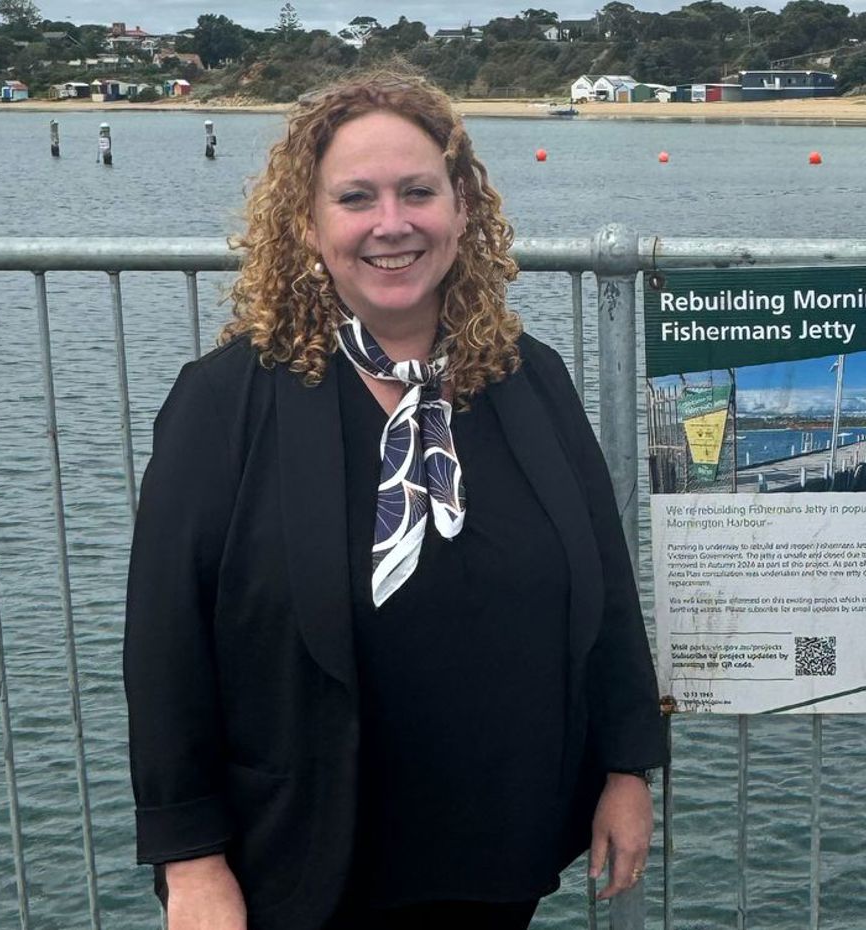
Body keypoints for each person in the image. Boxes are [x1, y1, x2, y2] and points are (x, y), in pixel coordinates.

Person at [124, 69, 666, 930]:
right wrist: (190, 860)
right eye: (356, 198)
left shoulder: (529, 380)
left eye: (418, 192)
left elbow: (603, 581)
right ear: (307, 224)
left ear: (462, 209)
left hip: (499, 848)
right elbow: (165, 643)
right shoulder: (224, 401)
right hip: (301, 863)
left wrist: (626, 768)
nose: (392, 223)